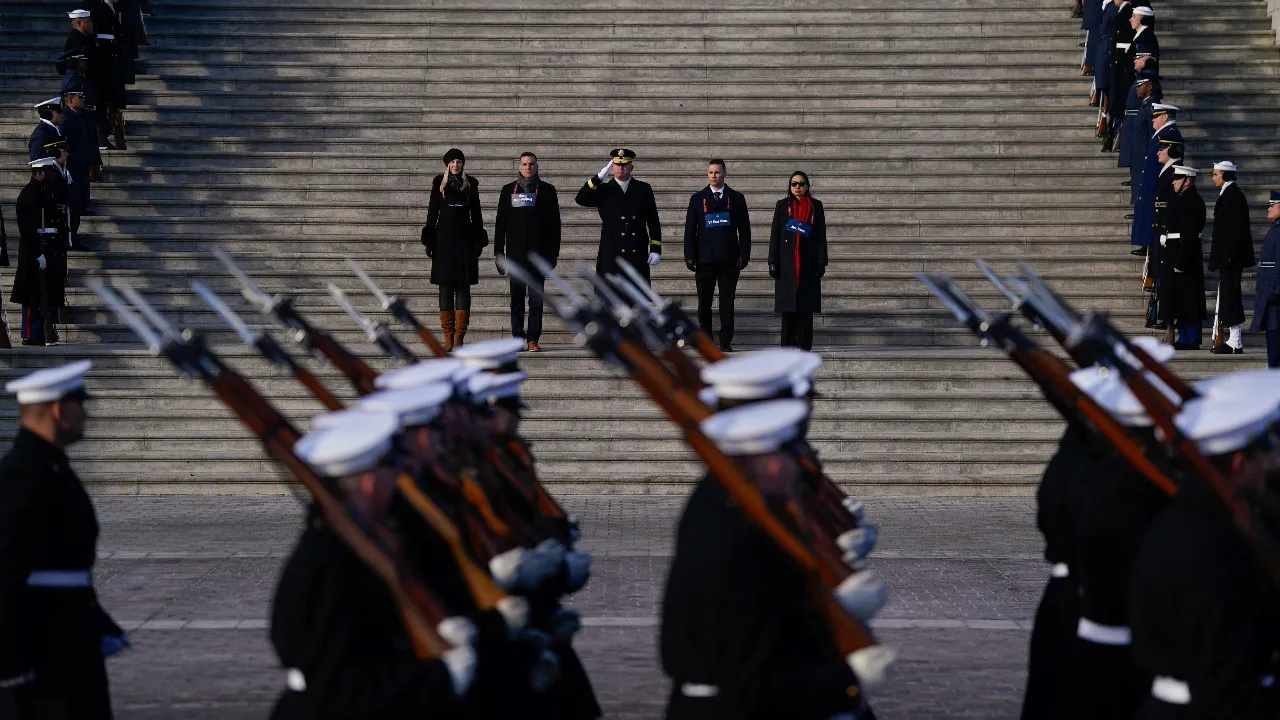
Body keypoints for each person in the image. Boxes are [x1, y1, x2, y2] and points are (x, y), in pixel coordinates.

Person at [661, 398, 890, 719]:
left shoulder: (742, 511)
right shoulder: (730, 535)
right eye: (788, 457)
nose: (797, 467)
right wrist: (848, 683)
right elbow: (750, 680)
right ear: (768, 465)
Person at [270, 411, 483, 718]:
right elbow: (339, 687)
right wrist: (439, 678)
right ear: (370, 484)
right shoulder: (329, 561)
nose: (398, 480)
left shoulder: (354, 543)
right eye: (392, 472)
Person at [1128, 389, 1280, 719]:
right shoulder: (1219, 548)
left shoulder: (1178, 519)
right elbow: (1225, 684)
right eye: (1264, 454)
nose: (1271, 464)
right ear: (1239, 463)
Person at [0, 360, 127, 720]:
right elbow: (5, 573)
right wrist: (10, 667)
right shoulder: (23, 475)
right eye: (80, 404)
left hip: (67, 641)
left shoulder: (49, 466)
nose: (86, 414)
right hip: (40, 655)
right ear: (59, 410)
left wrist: (95, 622)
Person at [494, 152, 561, 353]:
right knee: (516, 299)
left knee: (536, 300)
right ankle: (517, 338)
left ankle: (532, 339)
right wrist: (499, 253)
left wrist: (553, 255)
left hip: (538, 256)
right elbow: (500, 224)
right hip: (515, 256)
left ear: (537, 166)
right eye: (524, 164)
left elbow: (555, 226)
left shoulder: (547, 191)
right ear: (519, 166)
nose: (528, 167)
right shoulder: (508, 190)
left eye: (531, 164)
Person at [683, 159, 751, 352]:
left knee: (727, 302)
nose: (714, 176)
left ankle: (725, 341)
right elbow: (690, 230)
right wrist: (689, 255)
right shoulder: (698, 198)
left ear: (725, 174)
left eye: (717, 172)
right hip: (704, 259)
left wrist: (744, 254)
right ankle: (706, 340)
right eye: (711, 172)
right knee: (704, 302)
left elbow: (744, 230)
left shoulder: (736, 198)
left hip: (729, 259)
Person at [423, 148, 486, 351]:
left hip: (465, 242)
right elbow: (432, 213)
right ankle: (447, 336)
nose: (455, 165)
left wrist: (478, 241)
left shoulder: (471, 185)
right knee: (445, 288)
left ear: (462, 164)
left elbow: (477, 215)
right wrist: (430, 240)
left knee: (463, 288)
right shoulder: (438, 184)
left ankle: (459, 336)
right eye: (452, 162)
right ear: (447, 165)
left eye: (458, 161)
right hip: (443, 242)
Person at [575, 148, 662, 285]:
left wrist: (655, 248)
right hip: (611, 252)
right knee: (610, 294)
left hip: (636, 250)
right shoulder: (603, 189)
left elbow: (653, 220)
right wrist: (598, 178)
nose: (621, 168)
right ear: (612, 167)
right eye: (617, 164)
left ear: (631, 167)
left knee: (636, 294)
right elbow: (581, 199)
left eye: (625, 164)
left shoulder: (643, 188)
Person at [768, 171, 827, 351]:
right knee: (788, 310)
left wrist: (822, 261)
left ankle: (804, 348)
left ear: (807, 186)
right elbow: (775, 234)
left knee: (805, 310)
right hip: (787, 264)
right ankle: (787, 349)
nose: (797, 187)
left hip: (808, 263)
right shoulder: (782, 206)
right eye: (794, 184)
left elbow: (821, 236)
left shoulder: (816, 206)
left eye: (801, 184)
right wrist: (773, 261)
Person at [12, 159, 68, 346]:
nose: (51, 176)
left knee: (45, 294)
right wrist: (37, 253)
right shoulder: (29, 195)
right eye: (48, 172)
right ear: (40, 173)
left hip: (47, 249)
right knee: (32, 296)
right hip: (34, 251)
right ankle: (31, 334)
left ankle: (43, 333)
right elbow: (28, 230)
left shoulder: (43, 192)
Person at [1209, 160, 1256, 355]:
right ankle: (1234, 339)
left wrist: (1228, 257)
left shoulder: (1233, 196)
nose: (1213, 178)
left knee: (1231, 297)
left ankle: (1235, 340)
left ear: (1225, 175)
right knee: (1228, 297)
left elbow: (1235, 231)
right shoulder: (1228, 193)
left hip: (1231, 258)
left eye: (1216, 174)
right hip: (1228, 257)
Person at [1159, 166, 1208, 349]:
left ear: (1187, 181)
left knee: (1189, 297)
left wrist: (1181, 261)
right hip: (1177, 251)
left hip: (1185, 255)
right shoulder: (1182, 199)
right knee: (1181, 297)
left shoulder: (1192, 201)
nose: (1173, 182)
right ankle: (1185, 337)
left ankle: (1190, 339)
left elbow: (1189, 233)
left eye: (1177, 179)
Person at [1131, 105, 1181, 255]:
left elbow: (1170, 161)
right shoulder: (1162, 133)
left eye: (1156, 116)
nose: (1152, 119)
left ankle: (1150, 246)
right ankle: (1147, 244)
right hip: (1151, 181)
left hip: (1157, 182)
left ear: (1165, 117)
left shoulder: (1170, 134)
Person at [60, 89, 98, 251]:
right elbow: (63, 144)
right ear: (70, 100)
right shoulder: (67, 118)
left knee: (78, 205)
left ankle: (73, 239)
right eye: (79, 98)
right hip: (72, 168)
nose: (83, 100)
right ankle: (71, 241)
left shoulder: (80, 116)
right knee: (73, 208)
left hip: (81, 167)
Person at [1250, 191, 1280, 368]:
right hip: (1269, 292)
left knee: (1275, 338)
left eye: (1272, 205)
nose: (1268, 209)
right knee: (1272, 336)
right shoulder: (1275, 227)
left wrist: (1276, 290)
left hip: (1274, 294)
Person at [27, 99, 62, 164]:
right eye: (58, 111)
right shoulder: (42, 133)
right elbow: (36, 161)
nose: (61, 114)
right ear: (49, 113)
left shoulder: (52, 129)